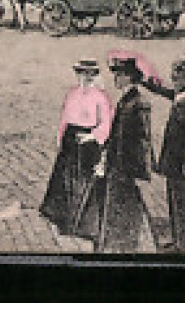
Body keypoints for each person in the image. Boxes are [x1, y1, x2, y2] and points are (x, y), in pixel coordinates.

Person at [74, 56, 155, 252]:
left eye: (119, 75)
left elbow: (142, 138)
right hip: (116, 163)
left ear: (128, 77)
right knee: (115, 205)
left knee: (124, 206)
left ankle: (123, 245)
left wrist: (137, 168)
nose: (115, 79)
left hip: (124, 166)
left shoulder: (138, 102)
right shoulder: (126, 100)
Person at [36, 59, 113, 234]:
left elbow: (106, 124)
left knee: (83, 183)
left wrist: (91, 136)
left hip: (88, 143)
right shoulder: (72, 94)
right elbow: (65, 118)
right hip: (71, 141)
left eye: (88, 74)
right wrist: (60, 138)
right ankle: (63, 218)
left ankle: (82, 223)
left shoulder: (101, 97)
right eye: (81, 73)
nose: (84, 77)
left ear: (94, 75)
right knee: (65, 180)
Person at [150, 59, 185, 253]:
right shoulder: (184, 95)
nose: (173, 81)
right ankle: (178, 240)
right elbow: (167, 93)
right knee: (175, 200)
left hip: (182, 162)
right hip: (173, 160)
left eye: (177, 78)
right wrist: (150, 85)